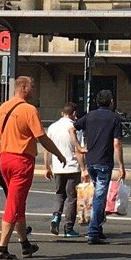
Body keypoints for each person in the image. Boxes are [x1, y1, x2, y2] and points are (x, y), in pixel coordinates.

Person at [0, 76, 64, 260]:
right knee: (13, 205)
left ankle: (25, 245)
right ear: (23, 88)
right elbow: (42, 137)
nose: (35, 89)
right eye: (33, 86)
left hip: (5, 159)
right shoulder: (29, 110)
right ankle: (2, 249)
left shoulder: (3, 107)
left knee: (18, 202)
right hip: (21, 161)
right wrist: (59, 154)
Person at [80, 89, 125, 245]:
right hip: (104, 162)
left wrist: (77, 147)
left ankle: (98, 229)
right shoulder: (114, 118)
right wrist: (121, 166)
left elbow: (72, 128)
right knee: (100, 196)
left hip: (90, 160)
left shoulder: (89, 116)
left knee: (99, 194)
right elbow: (117, 143)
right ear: (111, 102)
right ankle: (93, 232)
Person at [47, 99, 84, 238]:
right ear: (74, 113)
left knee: (59, 194)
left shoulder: (52, 127)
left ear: (63, 113)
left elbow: (47, 150)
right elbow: (78, 149)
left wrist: (47, 166)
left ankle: (56, 216)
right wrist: (83, 167)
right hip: (72, 167)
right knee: (71, 198)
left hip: (57, 167)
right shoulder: (75, 128)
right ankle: (68, 228)